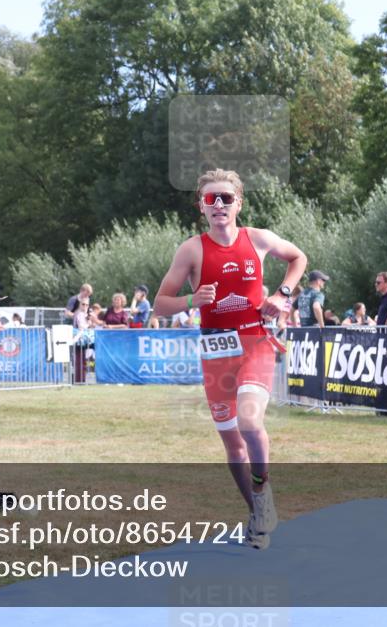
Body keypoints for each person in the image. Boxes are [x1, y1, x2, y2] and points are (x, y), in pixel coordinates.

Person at [154, 169, 307, 550]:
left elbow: (297, 257)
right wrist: (192, 301)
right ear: (201, 207)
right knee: (233, 445)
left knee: (250, 421)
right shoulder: (191, 249)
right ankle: (258, 511)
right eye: (211, 199)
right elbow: (161, 303)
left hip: (255, 341)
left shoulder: (257, 238)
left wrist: (283, 294)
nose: (218, 204)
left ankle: (262, 487)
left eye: (225, 198)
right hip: (215, 350)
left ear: (239, 203)